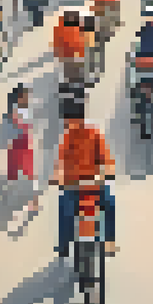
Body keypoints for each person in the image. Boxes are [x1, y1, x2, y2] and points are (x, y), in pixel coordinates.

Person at [51, 96, 116, 258]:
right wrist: (57, 177)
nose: (68, 124)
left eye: (69, 120)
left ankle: (109, 240)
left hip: (94, 185)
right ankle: (64, 244)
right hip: (73, 186)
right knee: (64, 208)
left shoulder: (94, 134)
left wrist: (106, 173)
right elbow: (60, 164)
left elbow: (107, 159)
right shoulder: (66, 138)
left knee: (110, 203)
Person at [5, 86, 39, 217]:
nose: (26, 98)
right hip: (17, 147)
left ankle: (33, 201)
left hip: (24, 147)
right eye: (24, 96)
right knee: (15, 174)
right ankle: (13, 198)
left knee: (29, 174)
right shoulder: (15, 112)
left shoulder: (26, 111)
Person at [54, 11, 88, 86]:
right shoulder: (76, 30)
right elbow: (81, 43)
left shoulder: (60, 30)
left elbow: (57, 44)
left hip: (68, 56)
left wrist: (58, 54)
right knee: (75, 72)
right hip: (74, 56)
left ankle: (70, 84)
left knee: (70, 73)